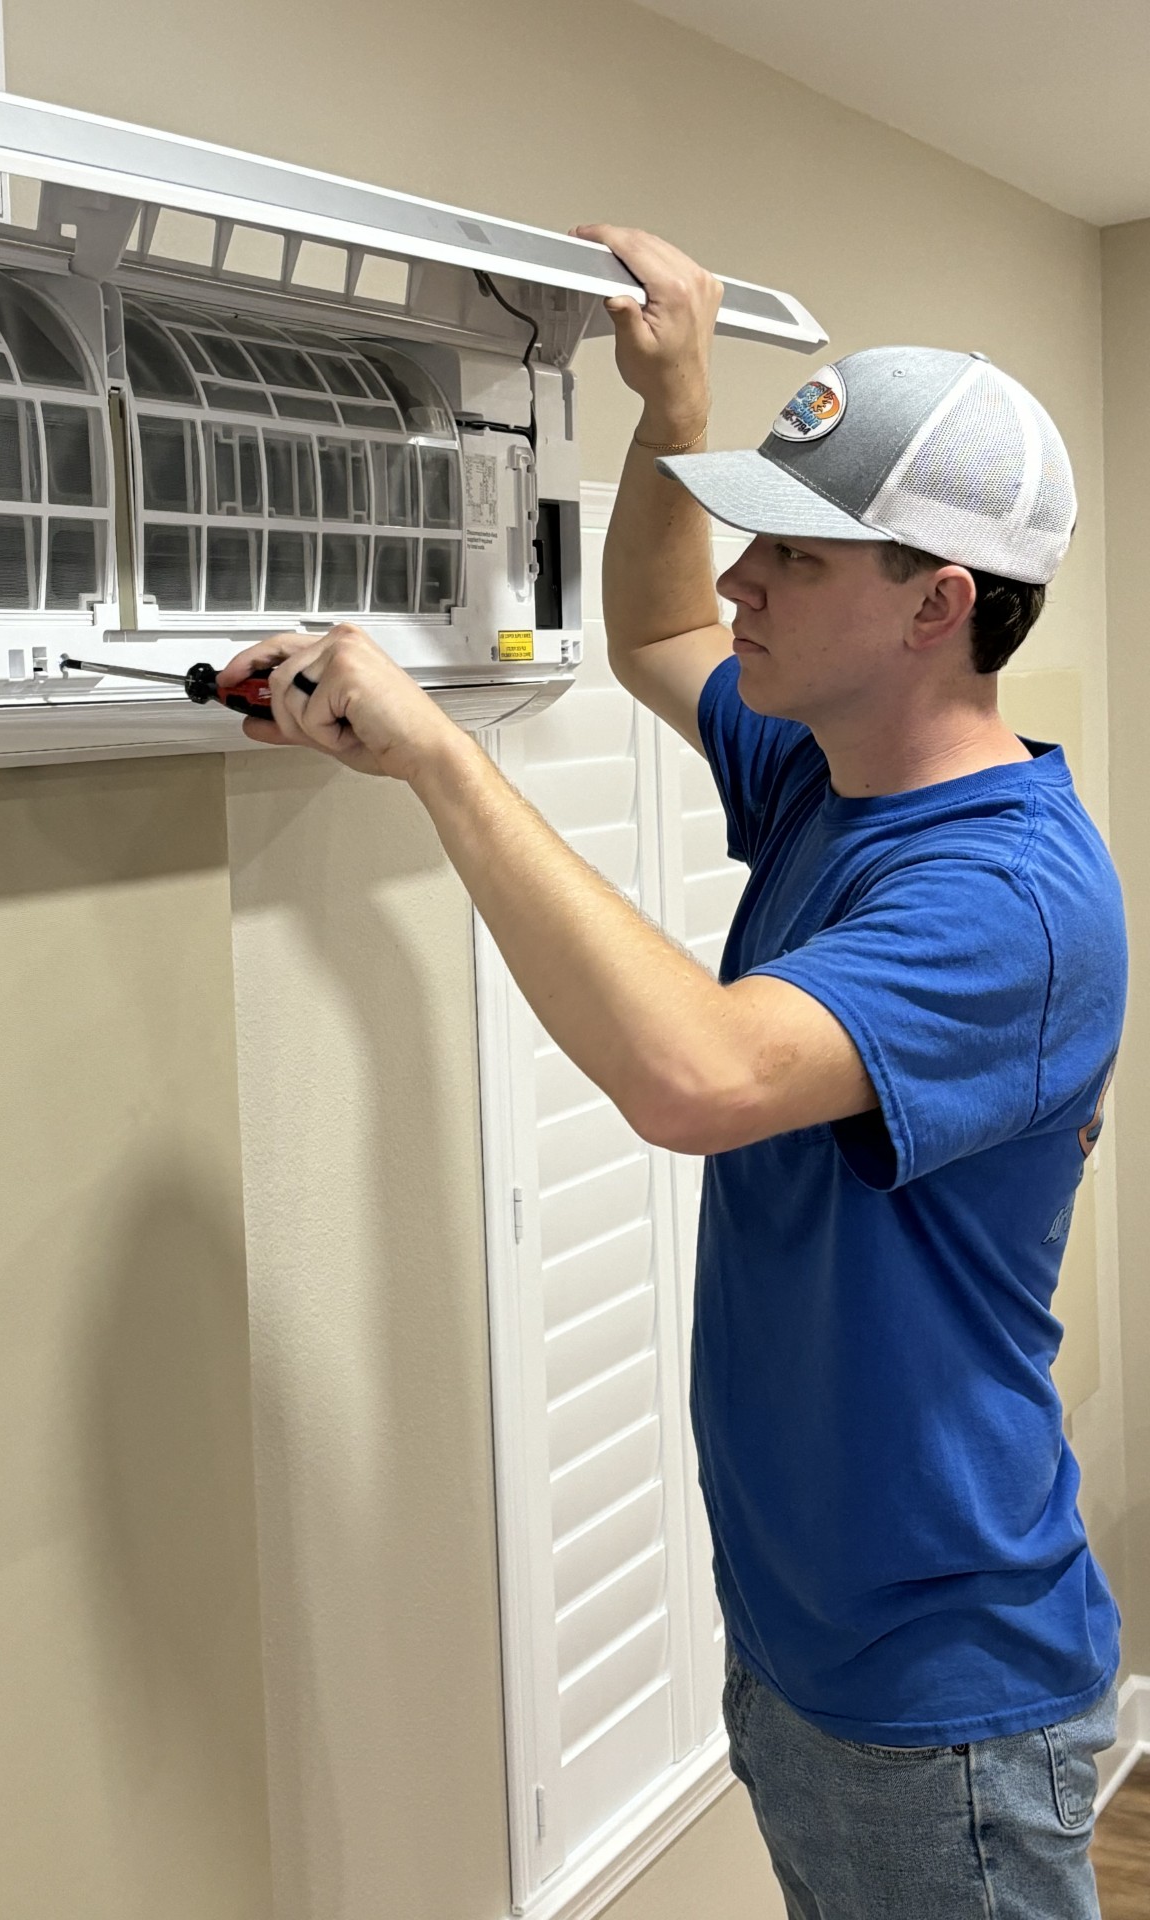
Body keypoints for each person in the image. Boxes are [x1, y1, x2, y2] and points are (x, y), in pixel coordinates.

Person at [219, 228, 1126, 1920]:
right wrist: (676, 399)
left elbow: (693, 1077)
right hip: (805, 1630)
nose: (741, 585)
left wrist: (436, 755)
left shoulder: (1014, 902)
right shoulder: (825, 770)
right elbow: (648, 621)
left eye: (792, 552)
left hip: (942, 1689)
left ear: (938, 606)